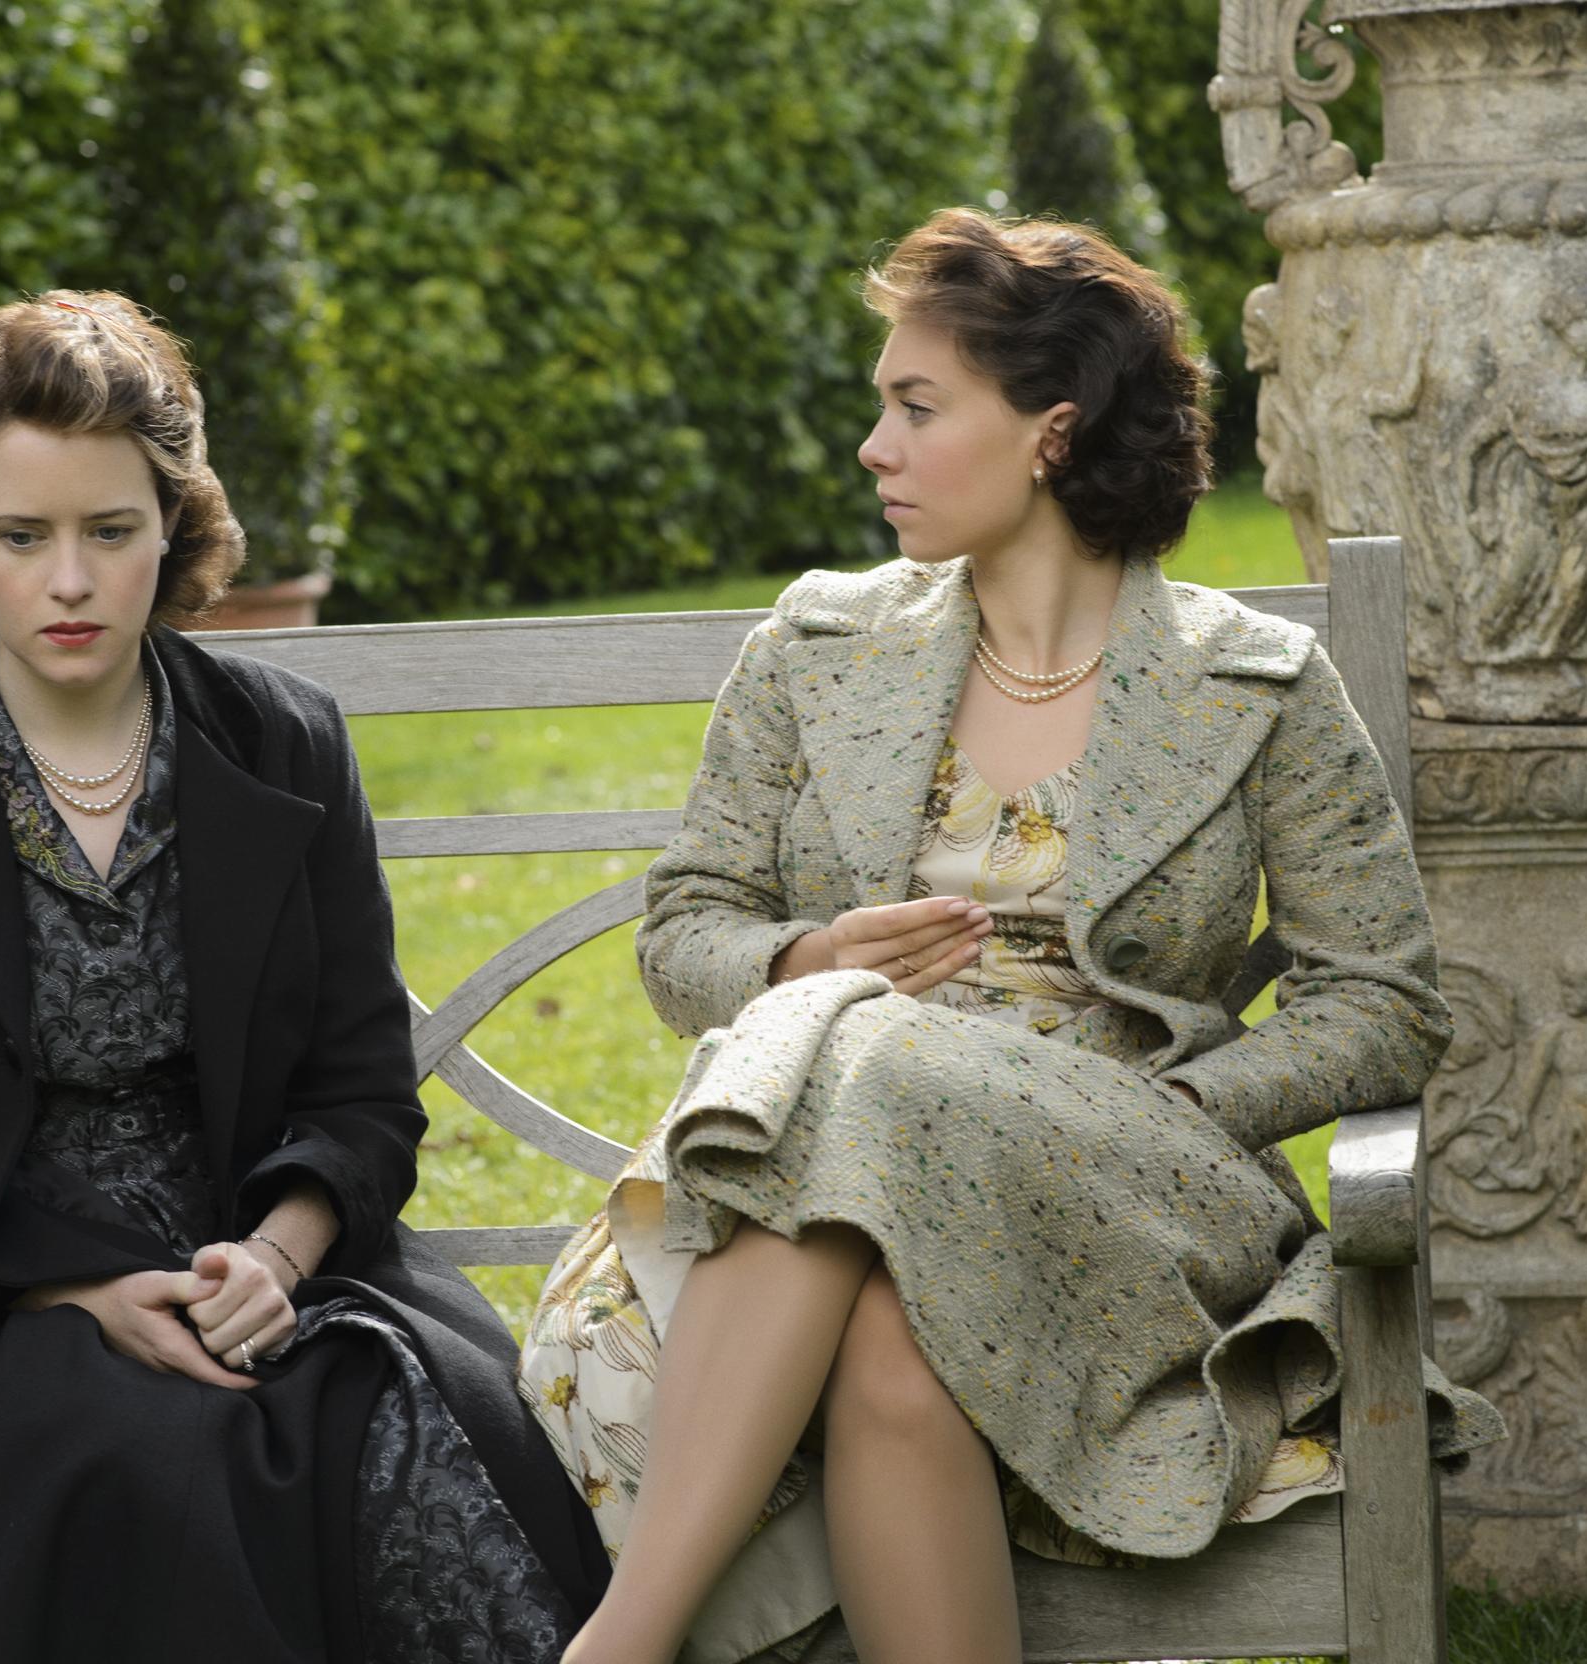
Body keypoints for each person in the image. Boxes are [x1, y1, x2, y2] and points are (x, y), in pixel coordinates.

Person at [519, 211, 1504, 1664]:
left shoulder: (1256, 683)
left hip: (1128, 1180)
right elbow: (686, 933)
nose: (873, 444)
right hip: (828, 1196)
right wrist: (807, 958)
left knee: (870, 1050)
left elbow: (1386, 1003)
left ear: (1053, 430)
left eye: (916, 406)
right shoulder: (814, 648)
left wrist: (1178, 1100)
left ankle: (621, 1644)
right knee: (891, 1331)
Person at [0, 291, 607, 1663]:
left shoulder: (283, 743)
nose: (72, 583)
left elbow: (360, 1097)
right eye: (22, 537)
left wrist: (276, 1261)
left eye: (112, 531)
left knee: (395, 1451)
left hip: (264, 1268)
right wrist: (60, 1298)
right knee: (132, 1467)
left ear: (176, 522)